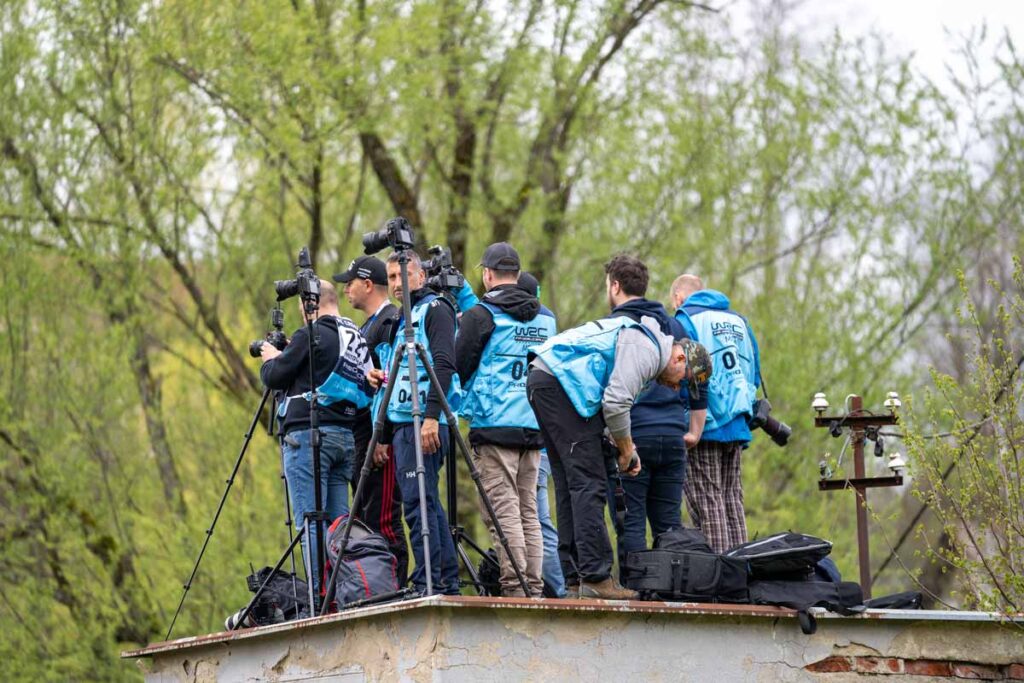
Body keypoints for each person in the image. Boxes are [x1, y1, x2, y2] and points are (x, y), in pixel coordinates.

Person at [526, 281, 709, 600]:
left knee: (573, 483)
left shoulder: (647, 347)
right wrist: (625, 448)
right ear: (680, 359)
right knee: (589, 481)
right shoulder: (648, 349)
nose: (679, 390)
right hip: (559, 384)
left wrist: (625, 447)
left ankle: (575, 578)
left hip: (547, 379)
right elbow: (615, 403)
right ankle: (596, 577)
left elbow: (610, 406)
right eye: (685, 382)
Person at [456, 244, 556, 597]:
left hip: (494, 425)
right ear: (516, 272)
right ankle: (534, 587)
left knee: (504, 513)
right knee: (529, 511)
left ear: (487, 275)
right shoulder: (546, 318)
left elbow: (459, 367)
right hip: (534, 426)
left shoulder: (482, 315)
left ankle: (515, 588)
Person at [260, 280, 369, 594]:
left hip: (307, 439)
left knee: (312, 522)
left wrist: (270, 357)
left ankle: (319, 598)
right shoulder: (355, 337)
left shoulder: (311, 334)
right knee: (340, 524)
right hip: (345, 437)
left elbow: (274, 377)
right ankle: (347, 591)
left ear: (308, 305)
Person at [603, 255, 708, 582]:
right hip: (674, 437)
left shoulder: (617, 328)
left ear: (616, 286)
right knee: (669, 525)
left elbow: (609, 391)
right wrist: (694, 430)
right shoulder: (674, 326)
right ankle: (670, 591)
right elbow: (700, 376)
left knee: (630, 521)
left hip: (633, 437)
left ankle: (635, 592)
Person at [367, 252, 461, 595]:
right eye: (391, 277)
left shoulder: (435, 309)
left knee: (418, 505)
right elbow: (402, 380)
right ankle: (444, 580)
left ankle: (429, 581)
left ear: (420, 276)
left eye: (402, 276)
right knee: (425, 503)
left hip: (427, 423)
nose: (396, 284)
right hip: (405, 424)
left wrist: (432, 417)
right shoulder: (404, 320)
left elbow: (444, 364)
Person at [671, 274, 761, 553]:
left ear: (678, 298)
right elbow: (754, 374)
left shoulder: (686, 320)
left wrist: (686, 416)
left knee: (707, 499)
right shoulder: (740, 321)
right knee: (733, 498)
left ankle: (721, 578)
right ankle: (742, 572)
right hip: (738, 420)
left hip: (705, 421)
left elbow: (685, 373)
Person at [334, 255, 408, 586]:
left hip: (382, 437)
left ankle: (395, 584)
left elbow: (397, 378)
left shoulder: (392, 321)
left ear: (367, 285)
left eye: (349, 282)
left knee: (384, 517)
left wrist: (385, 437)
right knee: (364, 514)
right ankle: (371, 583)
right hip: (362, 435)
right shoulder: (365, 328)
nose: (345, 289)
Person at [518, 272, 566, 598]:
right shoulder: (548, 322)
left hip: (519, 430)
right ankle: (556, 588)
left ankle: (552, 590)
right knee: (540, 519)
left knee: (533, 518)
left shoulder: (508, 320)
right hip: (544, 429)